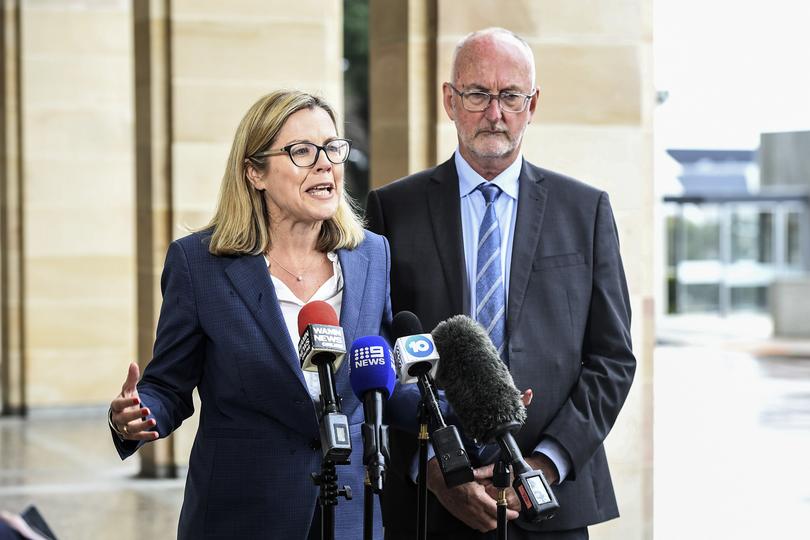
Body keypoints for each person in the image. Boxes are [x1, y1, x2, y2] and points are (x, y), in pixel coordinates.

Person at [366, 28, 636, 540]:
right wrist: (435, 469)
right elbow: (380, 352)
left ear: (532, 104)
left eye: (511, 96)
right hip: (428, 508)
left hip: (550, 502)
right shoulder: (392, 210)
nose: (495, 113)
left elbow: (613, 359)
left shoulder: (586, 211)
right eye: (477, 94)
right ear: (449, 99)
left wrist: (548, 462)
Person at [108, 90, 394, 540]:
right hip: (242, 514)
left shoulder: (372, 256)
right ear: (254, 172)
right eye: (301, 151)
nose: (325, 164)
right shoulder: (198, 264)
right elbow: (168, 386)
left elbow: (384, 382)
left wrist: (470, 413)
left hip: (351, 515)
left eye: (332, 148)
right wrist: (137, 415)